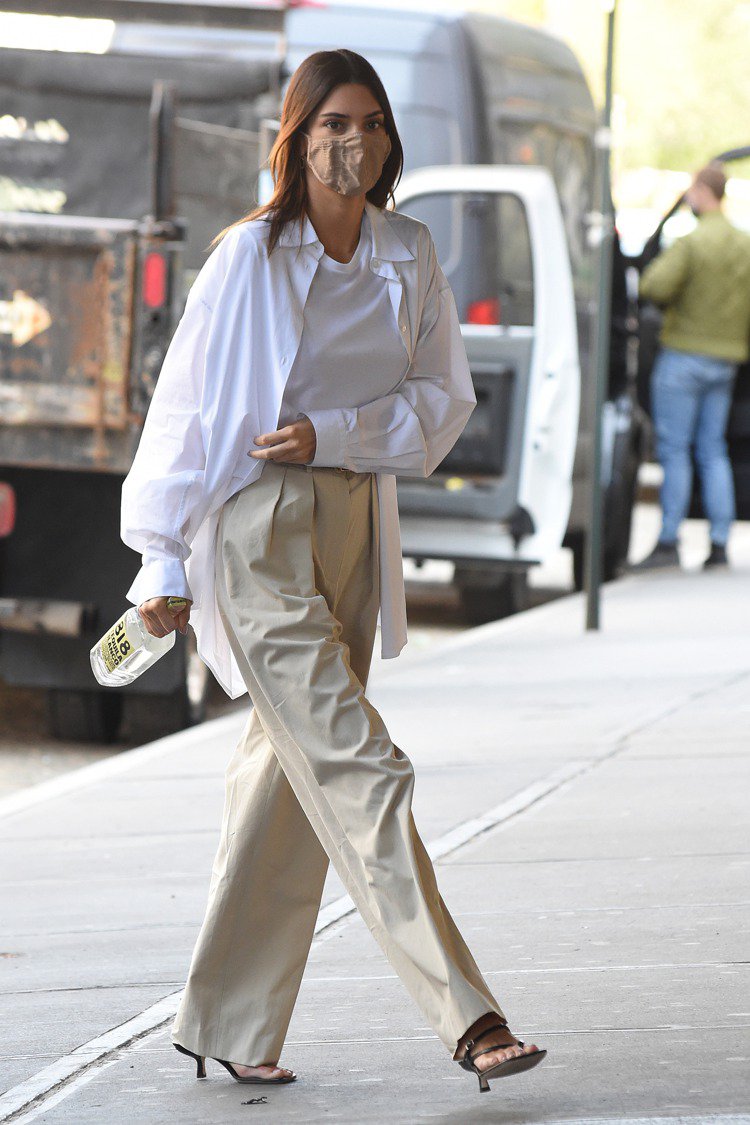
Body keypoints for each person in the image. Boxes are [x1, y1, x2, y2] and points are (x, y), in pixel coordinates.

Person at [120, 50, 546, 1094]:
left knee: (286, 771)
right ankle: (469, 1013)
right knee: (361, 766)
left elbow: (442, 404)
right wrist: (160, 558)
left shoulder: (409, 251)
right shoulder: (248, 258)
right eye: (332, 124)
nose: (353, 142)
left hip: (354, 518)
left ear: (390, 140)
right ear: (297, 138)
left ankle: (226, 1021)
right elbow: (185, 411)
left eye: (371, 123)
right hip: (258, 527)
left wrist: (337, 434)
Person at [634, 162, 750, 571]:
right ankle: (719, 543)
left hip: (684, 356)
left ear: (702, 191)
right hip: (726, 361)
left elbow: (653, 286)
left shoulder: (691, 242)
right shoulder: (744, 244)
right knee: (713, 450)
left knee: (674, 449)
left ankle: (669, 540)